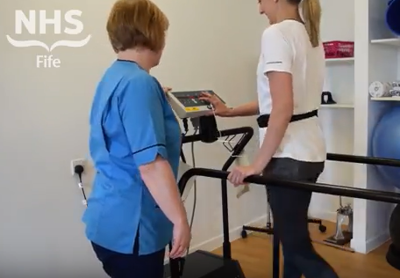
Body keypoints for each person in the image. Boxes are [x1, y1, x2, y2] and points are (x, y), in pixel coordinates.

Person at [200, 0, 339, 277]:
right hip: (309, 152)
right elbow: (278, 101)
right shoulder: (310, 36)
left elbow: (283, 108)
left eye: (261, 0)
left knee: (298, 249)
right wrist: (229, 111)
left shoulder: (276, 34)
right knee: (291, 244)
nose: (259, 6)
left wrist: (256, 165)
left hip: (289, 156)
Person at [82, 0, 190, 277]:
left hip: (107, 220)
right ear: (152, 33)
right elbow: (150, 165)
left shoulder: (113, 77)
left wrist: (154, 101)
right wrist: (180, 220)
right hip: (133, 227)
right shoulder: (139, 84)